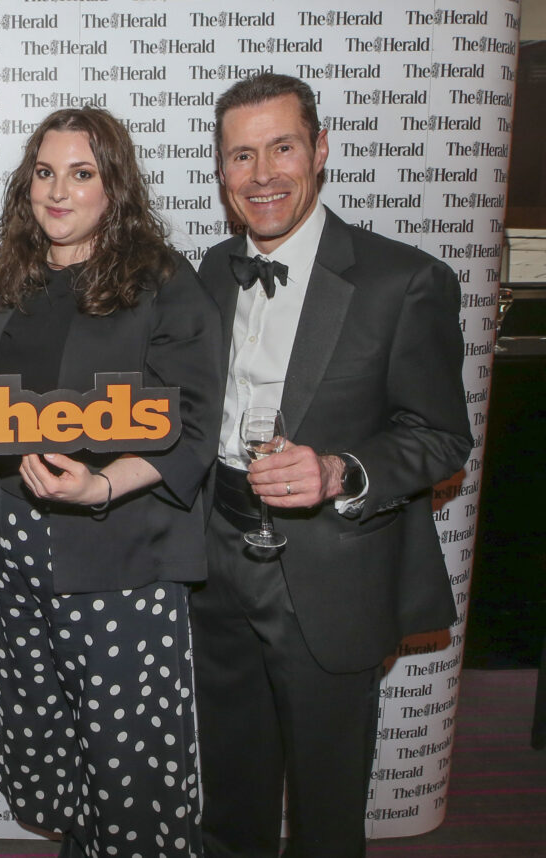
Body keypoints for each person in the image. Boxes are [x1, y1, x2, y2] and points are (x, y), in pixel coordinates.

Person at [189, 72, 473, 858]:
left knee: (326, 812)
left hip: (330, 575)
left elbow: (443, 436)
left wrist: (340, 471)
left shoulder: (404, 280)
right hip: (216, 567)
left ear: (320, 149)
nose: (264, 174)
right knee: (232, 797)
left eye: (283, 147)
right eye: (241, 156)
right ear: (221, 172)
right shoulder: (208, 272)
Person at [0, 106, 222, 858]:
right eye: (45, 173)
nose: (58, 192)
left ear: (115, 187)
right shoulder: (5, 282)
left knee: (129, 754)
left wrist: (100, 488)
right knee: (53, 730)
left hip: (120, 550)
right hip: (21, 546)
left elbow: (194, 422)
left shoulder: (162, 282)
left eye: (81, 173)